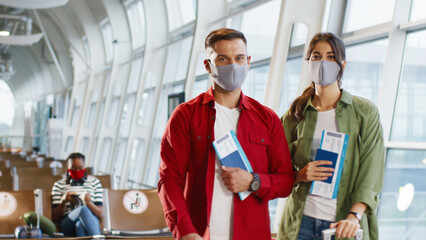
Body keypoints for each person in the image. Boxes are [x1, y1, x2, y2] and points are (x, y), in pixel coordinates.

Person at [158, 28, 294, 240]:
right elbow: (170, 179)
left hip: (252, 234)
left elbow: (285, 180)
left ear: (248, 61)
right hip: (200, 234)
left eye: (239, 58)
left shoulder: (267, 119)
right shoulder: (185, 115)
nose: (233, 65)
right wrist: (184, 230)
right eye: (223, 59)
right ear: (208, 65)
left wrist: (253, 181)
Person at [276, 32, 385, 240]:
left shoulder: (364, 112)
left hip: (343, 225)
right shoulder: (293, 116)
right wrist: (300, 175)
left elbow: (372, 171)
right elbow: (277, 172)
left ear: (342, 65)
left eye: (331, 56)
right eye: (316, 56)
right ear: (308, 63)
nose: (323, 62)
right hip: (300, 224)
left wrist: (354, 216)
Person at [51, 152, 103, 237]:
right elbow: (55, 217)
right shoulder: (59, 185)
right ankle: (98, 238)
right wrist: (63, 201)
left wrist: (89, 203)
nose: (77, 171)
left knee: (80, 226)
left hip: (91, 220)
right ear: (68, 168)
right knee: (82, 209)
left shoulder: (94, 182)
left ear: (85, 167)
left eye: (80, 168)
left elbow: (100, 213)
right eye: (73, 168)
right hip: (68, 221)